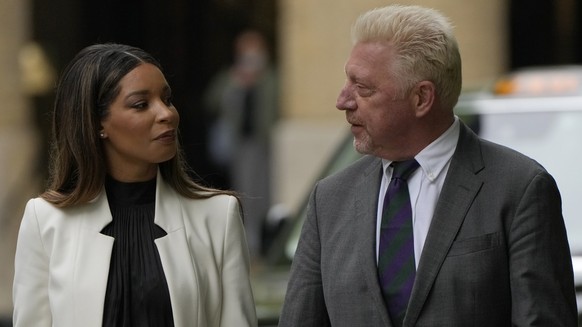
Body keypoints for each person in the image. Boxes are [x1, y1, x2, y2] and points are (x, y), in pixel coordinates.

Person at [279, 5, 577, 327]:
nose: (343, 101)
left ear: (421, 98)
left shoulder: (519, 189)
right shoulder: (329, 200)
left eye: (362, 88)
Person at [12, 43, 257, 327]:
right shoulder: (45, 221)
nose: (166, 114)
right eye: (141, 104)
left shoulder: (218, 216)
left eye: (167, 99)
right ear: (96, 123)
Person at [204, 29, 279, 258]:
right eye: (246, 52)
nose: (251, 57)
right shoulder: (231, 77)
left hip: (267, 144)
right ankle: (250, 246)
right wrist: (236, 84)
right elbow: (211, 101)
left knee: (266, 194)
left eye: (255, 51)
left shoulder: (271, 78)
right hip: (242, 146)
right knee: (245, 193)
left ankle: (268, 244)